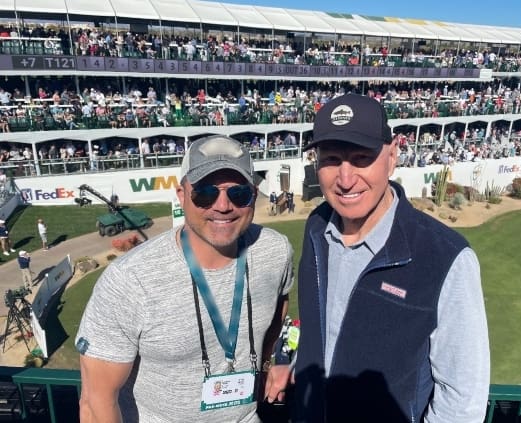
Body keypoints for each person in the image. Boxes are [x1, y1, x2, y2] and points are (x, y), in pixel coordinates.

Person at [291, 94, 490, 422]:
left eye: (361, 157)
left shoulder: (446, 256)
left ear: (393, 155)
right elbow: (325, 334)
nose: (345, 178)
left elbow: (463, 400)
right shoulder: (317, 227)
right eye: (331, 159)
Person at [75, 135, 294, 422]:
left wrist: (266, 364)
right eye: (205, 193)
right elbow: (95, 402)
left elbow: (280, 304)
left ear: (253, 194)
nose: (223, 205)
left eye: (238, 193)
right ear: (181, 195)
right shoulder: (129, 280)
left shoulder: (276, 251)